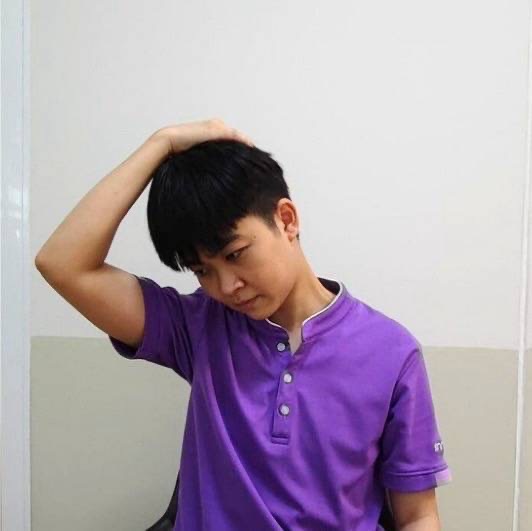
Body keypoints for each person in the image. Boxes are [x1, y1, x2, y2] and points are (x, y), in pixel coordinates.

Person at [35, 118, 452, 530]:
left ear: (286, 220)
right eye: (203, 271)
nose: (226, 286)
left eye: (235, 254)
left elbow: (418, 515)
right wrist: (161, 143)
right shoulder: (198, 326)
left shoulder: (391, 352)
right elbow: (63, 264)